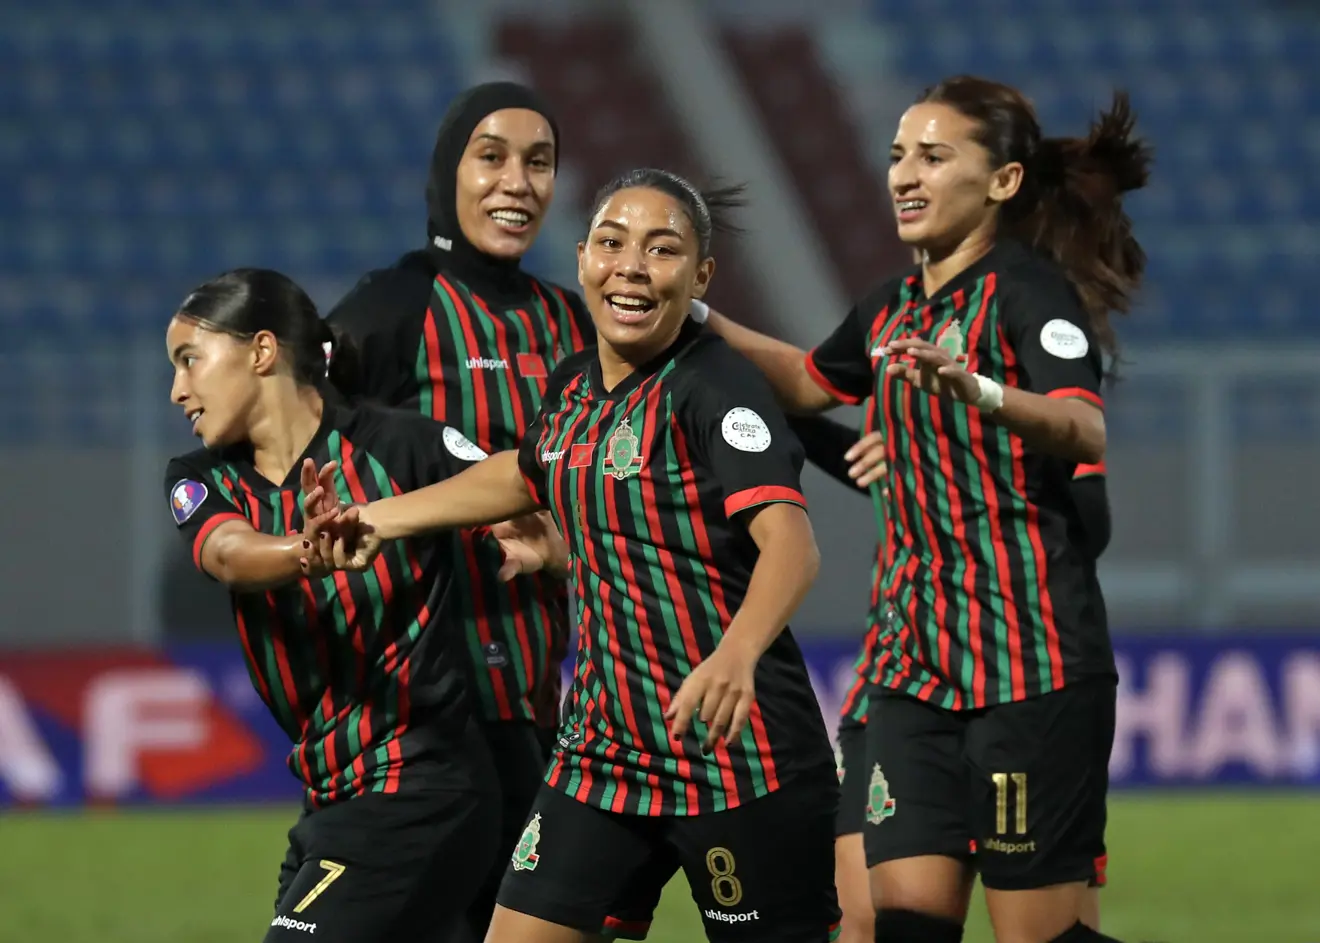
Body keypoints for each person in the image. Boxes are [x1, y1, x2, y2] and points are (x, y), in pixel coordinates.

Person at [321, 168, 842, 942]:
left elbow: (791, 545)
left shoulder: (717, 389)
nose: (631, 265)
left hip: (736, 753)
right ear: (583, 258)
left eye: (661, 250)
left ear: (699, 278)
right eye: (611, 242)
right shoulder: (571, 387)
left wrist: (736, 654)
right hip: (603, 754)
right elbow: (522, 471)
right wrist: (379, 519)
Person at [696, 75, 1151, 943]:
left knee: (1041, 936)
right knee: (890, 924)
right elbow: (805, 380)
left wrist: (981, 389)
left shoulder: (1029, 294)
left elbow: (1083, 429)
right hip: (910, 666)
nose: (904, 174)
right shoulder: (890, 307)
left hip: (1028, 664)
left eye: (934, 157)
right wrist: (696, 312)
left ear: (1003, 182)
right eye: (899, 154)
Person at [161, 268, 567, 943]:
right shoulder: (201, 476)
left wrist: (552, 549)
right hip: (331, 793)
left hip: (422, 785)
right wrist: (306, 553)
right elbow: (230, 554)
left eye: (189, 359)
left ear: (261, 351)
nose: (178, 389)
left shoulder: (401, 445)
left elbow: (520, 477)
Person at [324, 82, 594, 938]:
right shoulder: (392, 309)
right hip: (419, 716)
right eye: (493, 157)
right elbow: (296, 442)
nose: (518, 181)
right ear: (449, 173)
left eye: (539, 162)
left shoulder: (573, 323)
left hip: (540, 696)